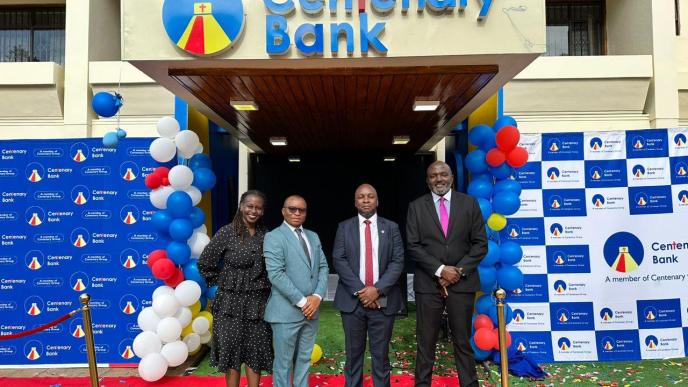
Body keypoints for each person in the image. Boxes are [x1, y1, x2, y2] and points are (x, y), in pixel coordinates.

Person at [406, 161, 488, 387]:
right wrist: (441, 270)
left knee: (462, 340)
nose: (438, 179)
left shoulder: (469, 204)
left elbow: (480, 244)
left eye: (443, 174)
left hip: (462, 284)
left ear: (452, 177)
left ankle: (469, 384)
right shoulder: (416, 207)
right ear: (427, 180)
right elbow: (413, 246)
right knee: (426, 341)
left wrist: (457, 271)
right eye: (433, 176)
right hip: (428, 284)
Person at [198, 190, 273, 387]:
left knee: (255, 352)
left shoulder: (268, 235)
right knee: (232, 353)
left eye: (258, 207)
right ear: (241, 206)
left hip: (258, 304)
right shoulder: (227, 232)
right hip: (229, 305)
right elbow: (205, 263)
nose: (253, 211)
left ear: (263, 211)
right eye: (250, 206)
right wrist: (225, 282)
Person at [332, 184, 405, 387]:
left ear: (377, 201)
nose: (365, 200)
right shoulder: (344, 227)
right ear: (355, 202)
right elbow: (339, 259)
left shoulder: (391, 228)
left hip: (383, 301)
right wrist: (363, 291)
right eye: (361, 197)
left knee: (381, 357)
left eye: (370, 196)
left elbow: (398, 261)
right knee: (353, 356)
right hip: (352, 302)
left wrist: (377, 290)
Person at [263, 195, 330, 387]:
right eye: (292, 209)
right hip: (286, 313)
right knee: (283, 364)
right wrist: (303, 302)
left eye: (301, 210)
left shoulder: (313, 236)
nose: (297, 213)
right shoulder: (274, 237)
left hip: (311, 312)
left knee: (303, 361)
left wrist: (317, 297)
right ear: (283, 211)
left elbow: (323, 267)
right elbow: (276, 275)